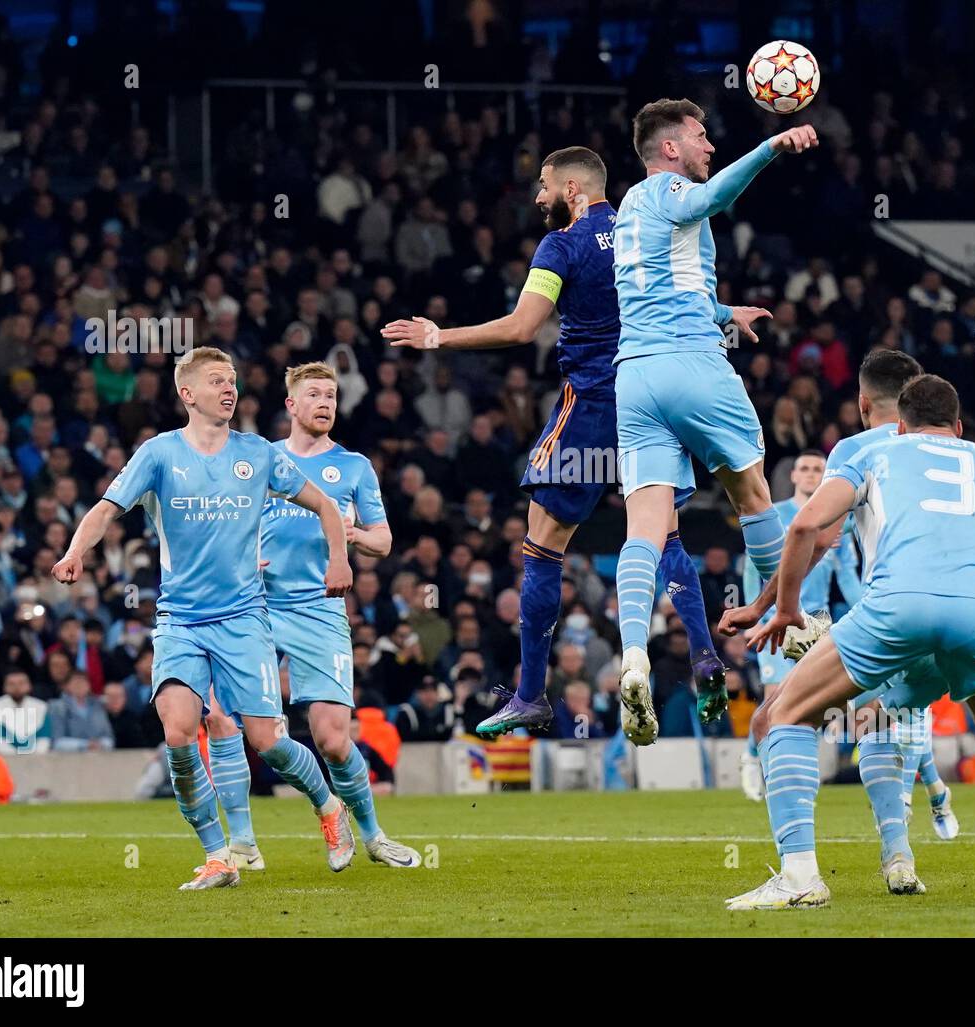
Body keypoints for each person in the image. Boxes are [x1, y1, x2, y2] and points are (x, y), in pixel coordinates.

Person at [384, 145, 723, 739]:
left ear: (571, 189)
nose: (537, 197)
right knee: (662, 535)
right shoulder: (645, 227)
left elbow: (520, 328)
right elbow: (688, 297)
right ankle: (705, 658)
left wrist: (440, 337)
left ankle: (530, 696)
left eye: (543, 186)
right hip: (652, 399)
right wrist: (726, 311)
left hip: (591, 407)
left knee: (542, 546)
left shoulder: (559, 246)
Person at [722, 375, 975, 909]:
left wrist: (783, 610)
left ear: (896, 422)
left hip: (898, 608)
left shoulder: (874, 453)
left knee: (783, 715)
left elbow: (805, 530)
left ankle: (800, 876)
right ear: (958, 427)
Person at [51, 347, 355, 891]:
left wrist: (338, 558)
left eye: (233, 380)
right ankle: (219, 856)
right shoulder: (159, 454)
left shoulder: (258, 454)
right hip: (181, 621)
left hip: (243, 619)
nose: (229, 388)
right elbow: (104, 509)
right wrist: (76, 552)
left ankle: (329, 805)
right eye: (217, 381)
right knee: (177, 731)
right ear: (187, 394)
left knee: (266, 739)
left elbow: (327, 506)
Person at [608, 100, 819, 744]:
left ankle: (634, 655)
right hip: (692, 367)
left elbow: (663, 288)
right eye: (701, 137)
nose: (709, 147)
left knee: (644, 527)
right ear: (669, 149)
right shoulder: (673, 189)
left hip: (635, 377)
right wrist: (771, 147)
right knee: (753, 493)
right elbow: (713, 200)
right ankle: (788, 631)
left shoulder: (628, 211)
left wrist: (727, 311)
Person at [245, 361, 418, 867]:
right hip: (256, 606)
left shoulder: (354, 467)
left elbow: (383, 540)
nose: (325, 404)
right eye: (315, 395)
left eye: (332, 397)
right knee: (244, 729)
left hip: (319, 611)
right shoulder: (259, 459)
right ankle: (309, 812)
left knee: (334, 741)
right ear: (291, 405)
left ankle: (372, 835)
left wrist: (351, 532)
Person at [737, 449, 843, 800]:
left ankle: (794, 774)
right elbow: (754, 567)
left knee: (811, 703)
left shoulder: (839, 518)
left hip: (820, 622)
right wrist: (756, 613)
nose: (811, 475)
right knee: (775, 695)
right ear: (794, 476)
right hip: (778, 621)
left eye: (818, 469)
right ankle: (754, 760)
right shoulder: (778, 516)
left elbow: (849, 576)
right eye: (805, 469)